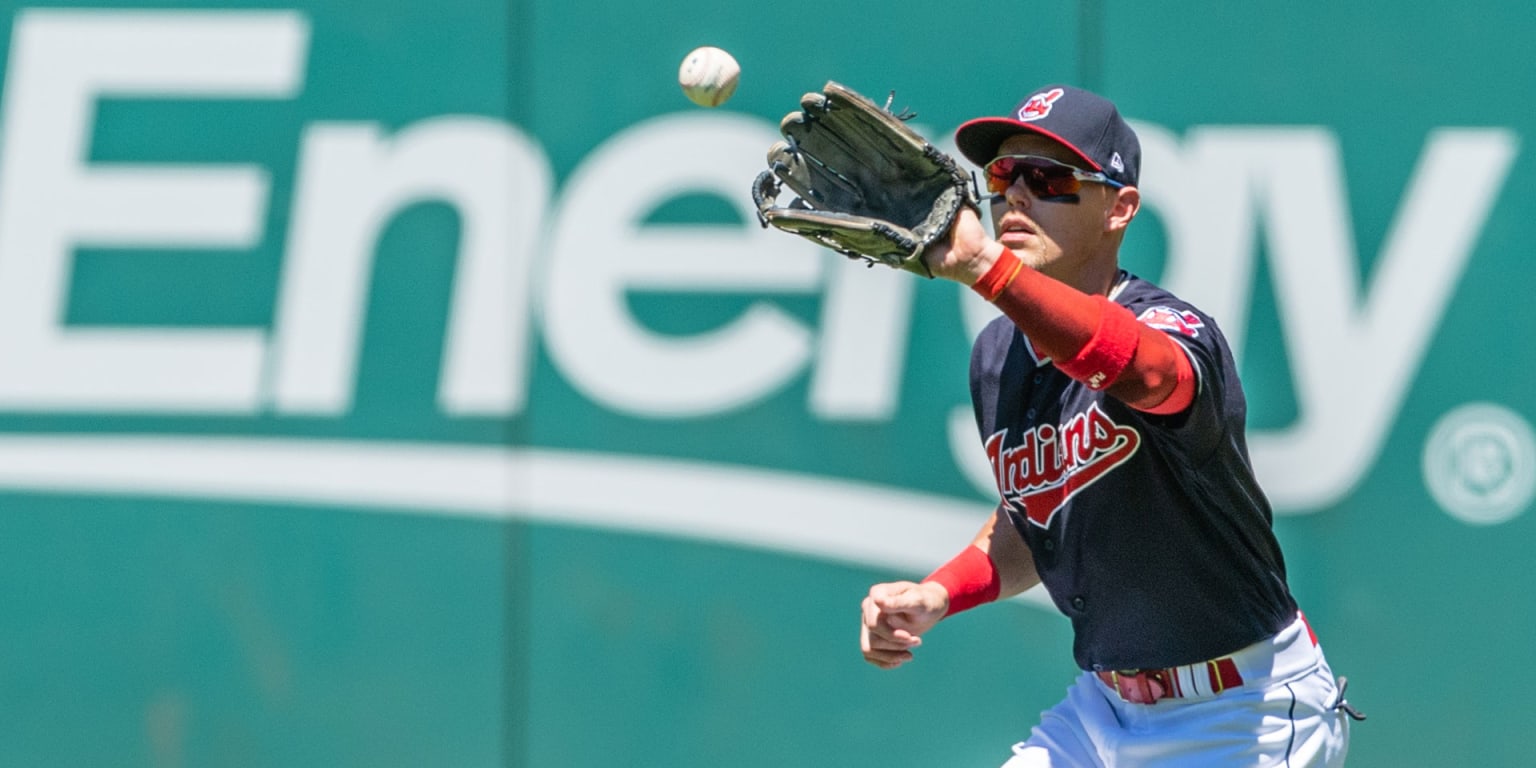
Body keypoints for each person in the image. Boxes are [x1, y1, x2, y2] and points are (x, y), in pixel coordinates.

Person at [857, 85, 1359, 766]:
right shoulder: (997, 356)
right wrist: (940, 592)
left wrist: (986, 268)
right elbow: (1036, 524)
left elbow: (1148, 375)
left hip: (1244, 713)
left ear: (1119, 207)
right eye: (1003, 176)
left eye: (1050, 178)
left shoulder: (1173, 328)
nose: (1016, 197)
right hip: (1103, 710)